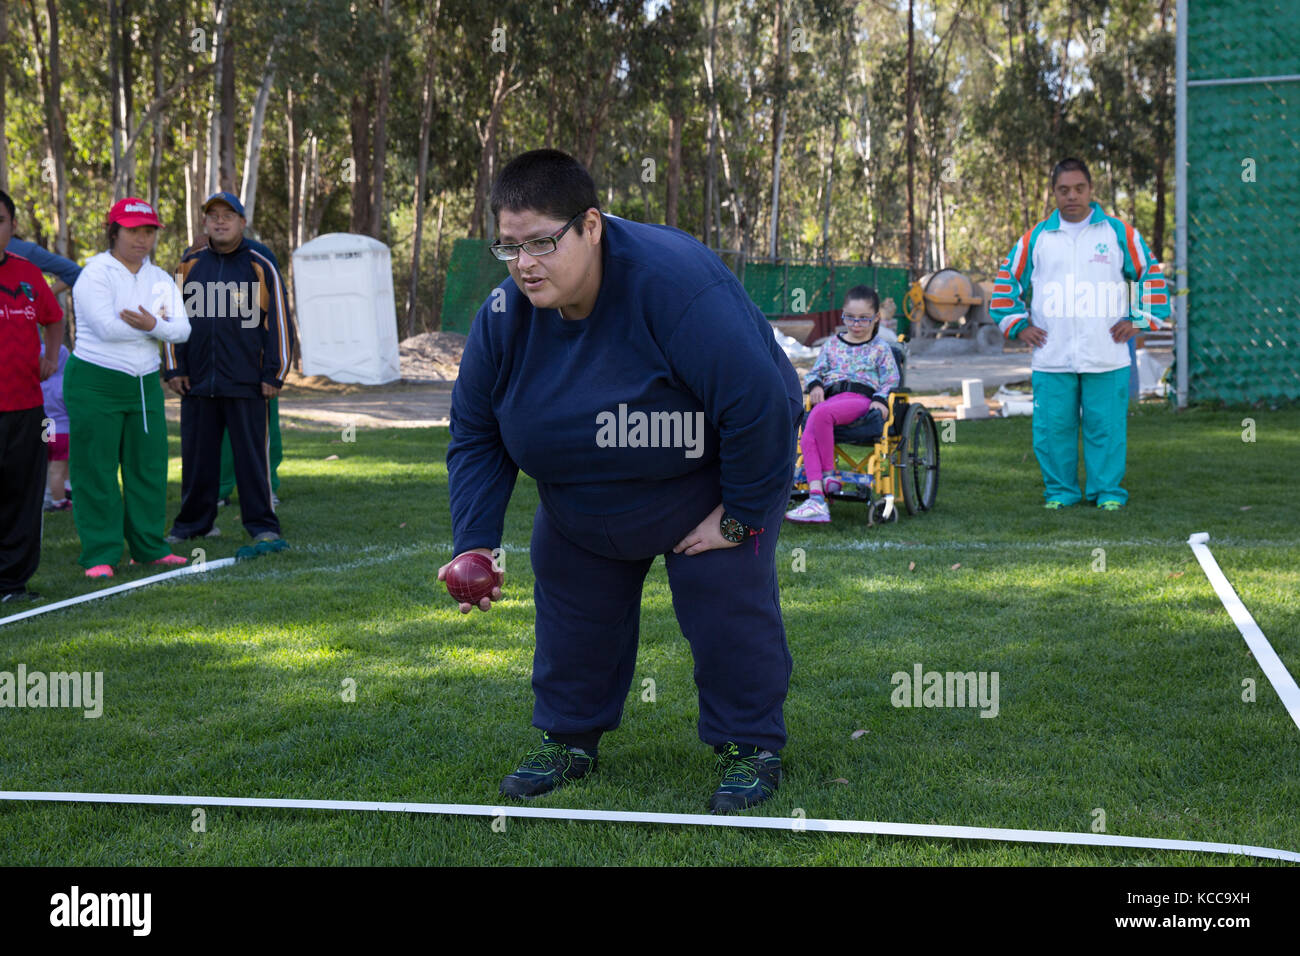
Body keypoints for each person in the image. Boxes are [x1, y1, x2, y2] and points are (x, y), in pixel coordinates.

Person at [441, 149, 803, 814]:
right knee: (572, 608)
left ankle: (751, 745)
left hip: (704, 472)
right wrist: (476, 541)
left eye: (544, 243)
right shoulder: (502, 316)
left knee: (725, 598)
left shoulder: (675, 285)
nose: (525, 264)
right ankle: (569, 739)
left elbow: (760, 405)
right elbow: (476, 432)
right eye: (509, 246)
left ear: (591, 226)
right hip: (581, 490)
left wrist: (739, 515)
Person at [990, 158, 1171, 510]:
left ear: (1090, 189)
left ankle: (1107, 493)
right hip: (1052, 354)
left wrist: (1140, 319)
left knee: (1106, 428)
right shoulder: (1036, 238)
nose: (1071, 196)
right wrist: (1019, 325)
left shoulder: (1120, 233)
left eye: (1079, 188)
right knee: (1053, 429)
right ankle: (1060, 492)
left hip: (1108, 351)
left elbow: (1150, 273)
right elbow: (1006, 281)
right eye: (1063, 190)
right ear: (1054, 193)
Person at [65, 197, 192, 578]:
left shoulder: (160, 279)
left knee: (148, 468)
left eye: (149, 231)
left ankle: (149, 548)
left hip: (144, 385)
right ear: (114, 231)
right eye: (133, 230)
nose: (142, 239)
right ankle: (100, 554)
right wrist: (157, 324)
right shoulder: (96, 273)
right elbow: (105, 327)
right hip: (95, 382)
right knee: (97, 470)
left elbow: (182, 329)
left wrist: (150, 324)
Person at [163, 191, 290, 557]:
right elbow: (172, 318)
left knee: (252, 460)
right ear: (204, 222)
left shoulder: (260, 262)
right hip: (198, 382)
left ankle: (262, 525)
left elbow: (279, 321)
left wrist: (274, 373)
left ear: (242, 222)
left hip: (247, 383)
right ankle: (193, 524)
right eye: (213, 215)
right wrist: (174, 368)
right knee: (198, 459)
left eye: (228, 216)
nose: (220, 221)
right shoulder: (190, 264)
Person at [785, 285, 901, 524]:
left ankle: (828, 476)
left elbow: (891, 378)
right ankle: (817, 496)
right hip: (831, 400)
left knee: (820, 414)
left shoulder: (880, 348)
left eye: (863, 319)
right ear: (843, 315)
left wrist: (880, 400)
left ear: (876, 317)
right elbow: (815, 372)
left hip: (860, 402)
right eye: (850, 317)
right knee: (808, 434)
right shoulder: (832, 345)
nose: (856, 324)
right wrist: (816, 385)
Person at [0, 190, 64, 603]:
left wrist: (52, 356)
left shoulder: (26, 273)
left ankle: (12, 584)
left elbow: (53, 319)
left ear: (12, 226)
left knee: (24, 496)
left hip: (29, 409)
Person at [40, 341, 72, 511]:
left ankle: (54, 493)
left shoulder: (40, 384)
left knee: (50, 463)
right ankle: (59, 501)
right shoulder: (64, 384)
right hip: (62, 430)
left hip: (47, 426)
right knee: (58, 467)